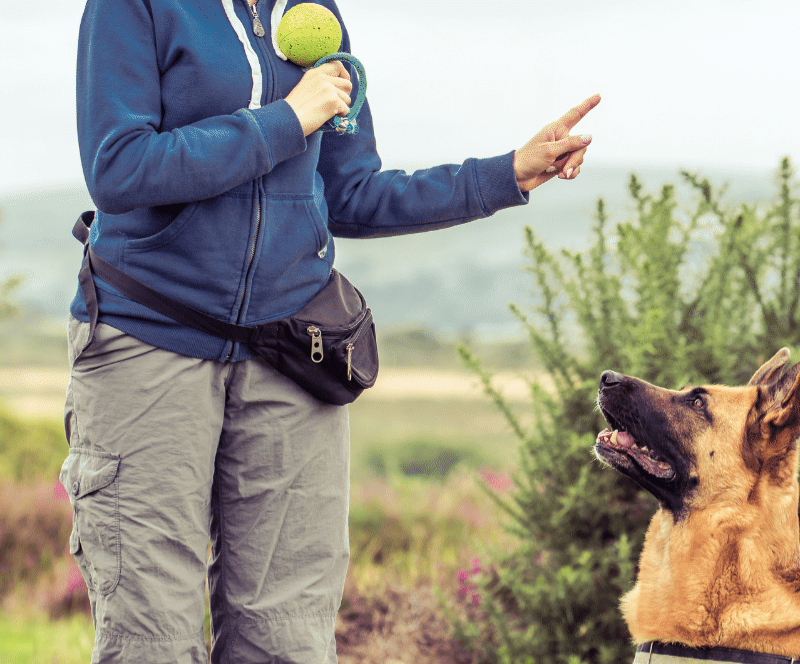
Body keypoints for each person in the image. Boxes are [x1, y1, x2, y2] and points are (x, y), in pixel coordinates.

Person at [60, 0, 599, 662]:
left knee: (288, 637)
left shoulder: (317, 15)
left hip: (289, 354)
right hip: (148, 345)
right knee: (153, 641)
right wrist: (287, 120)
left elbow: (352, 194)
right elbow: (120, 168)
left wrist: (504, 174)